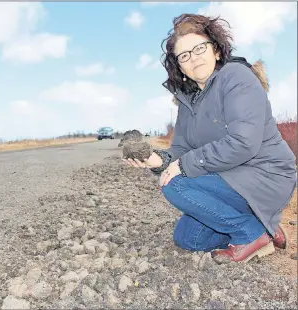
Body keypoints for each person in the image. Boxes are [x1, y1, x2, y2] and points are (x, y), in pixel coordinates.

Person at [123, 13, 297, 263]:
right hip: (229, 176)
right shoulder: (188, 100)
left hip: (265, 174)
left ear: (216, 50)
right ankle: (261, 223)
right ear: (180, 67)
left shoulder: (237, 78)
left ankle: (250, 233)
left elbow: (243, 143)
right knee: (188, 239)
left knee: (175, 183)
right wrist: (156, 160)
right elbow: (181, 148)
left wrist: (182, 166)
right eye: (184, 56)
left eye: (199, 48)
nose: (193, 58)